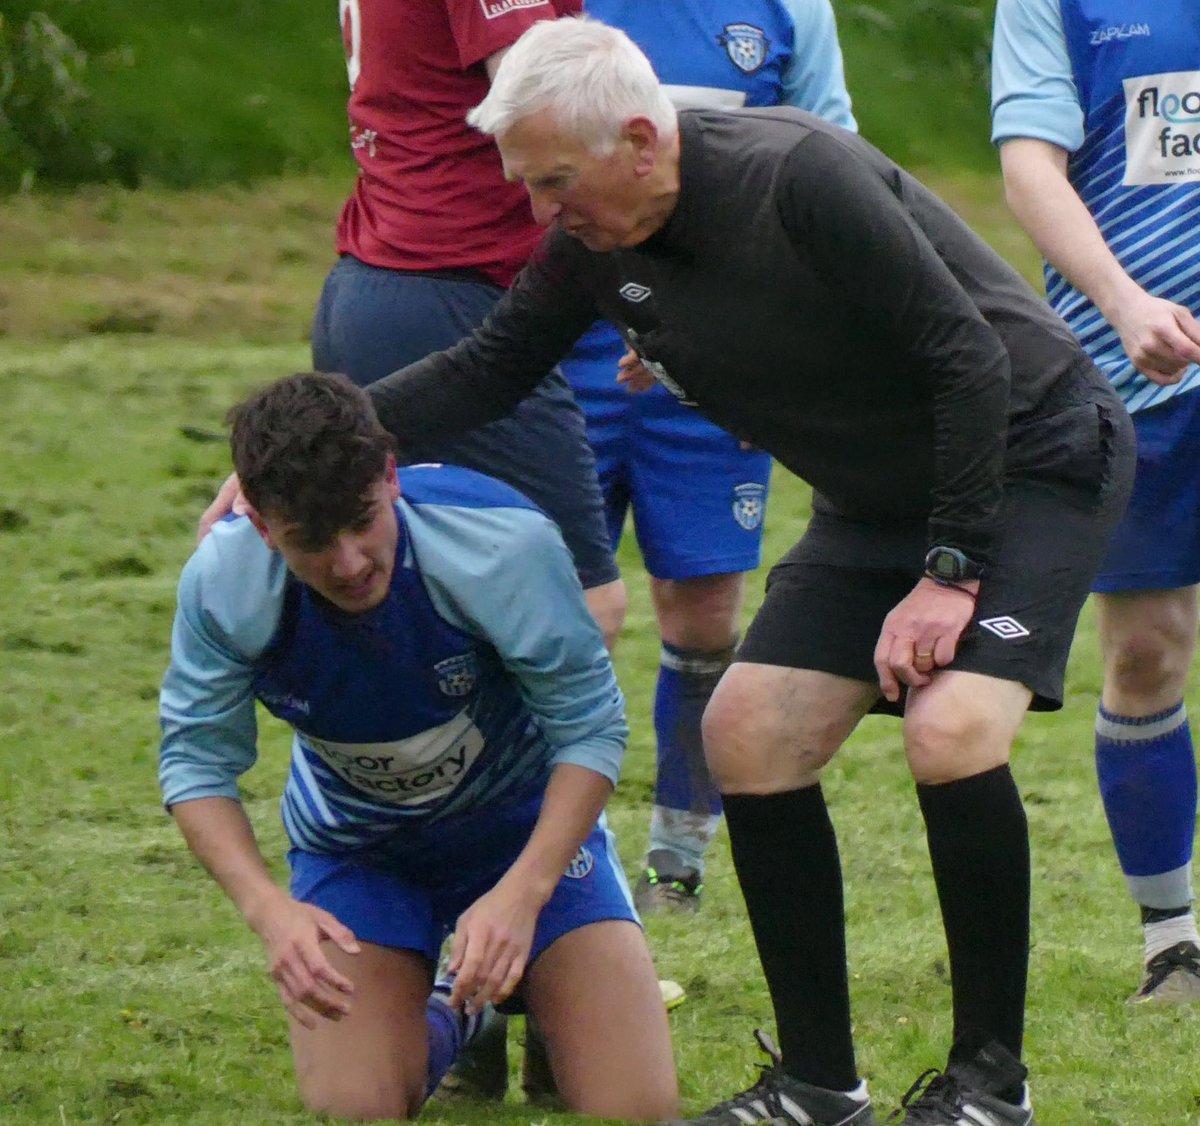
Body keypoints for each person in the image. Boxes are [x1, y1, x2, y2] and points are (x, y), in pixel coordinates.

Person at [356, 17, 1138, 1125]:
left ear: (639, 138)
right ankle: (820, 1083)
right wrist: (316, 439)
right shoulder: (598, 237)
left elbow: (965, 358)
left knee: (953, 728)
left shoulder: (797, 175)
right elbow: (489, 367)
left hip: (1033, 457)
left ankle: (989, 1086)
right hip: (877, 500)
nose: (542, 213)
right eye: (525, 185)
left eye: (554, 181)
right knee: (747, 730)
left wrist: (951, 572)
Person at [159, 371, 678, 1122]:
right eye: (310, 539)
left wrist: (523, 892)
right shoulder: (226, 581)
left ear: (391, 477)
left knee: (637, 1109)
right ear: (265, 526)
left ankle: (539, 978)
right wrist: (269, 910)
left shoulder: (501, 543)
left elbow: (590, 726)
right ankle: (462, 1012)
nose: (348, 563)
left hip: (525, 835)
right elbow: (195, 763)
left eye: (362, 521)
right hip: (360, 851)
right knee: (359, 1107)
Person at [569, 0, 857, 917]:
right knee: (559, 609)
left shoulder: (787, 10)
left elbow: (833, 174)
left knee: (701, 608)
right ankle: (566, 854)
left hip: (717, 360)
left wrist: (780, 359)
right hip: (569, 352)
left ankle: (674, 867)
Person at [991, 0, 1200, 1003]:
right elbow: (1031, 167)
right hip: (1138, 363)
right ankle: (1174, 939)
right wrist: (1123, 303)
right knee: (1147, 644)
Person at [306, 0, 626, 647]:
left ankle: (394, 745)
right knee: (581, 601)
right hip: (454, 290)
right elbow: (547, 103)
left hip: (370, 281)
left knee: (418, 601)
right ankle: (489, 751)